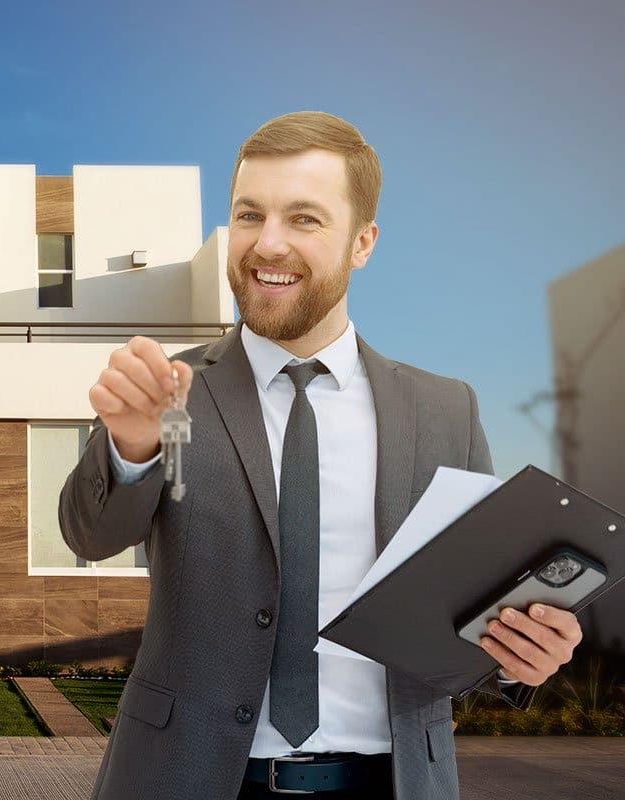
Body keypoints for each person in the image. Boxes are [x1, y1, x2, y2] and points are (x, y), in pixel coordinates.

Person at [58, 111, 583, 800]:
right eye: (249, 215)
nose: (266, 244)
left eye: (303, 219)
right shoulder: (170, 389)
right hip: (186, 777)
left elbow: (479, 607)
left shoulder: (445, 410)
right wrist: (131, 446)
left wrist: (522, 658)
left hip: (393, 783)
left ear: (363, 242)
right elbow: (91, 535)